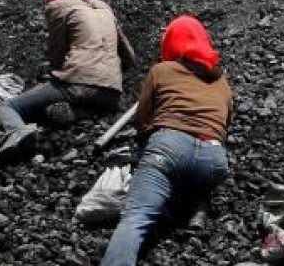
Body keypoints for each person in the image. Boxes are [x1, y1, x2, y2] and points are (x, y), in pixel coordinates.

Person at [100, 16, 233, 266]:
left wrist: (147, 146)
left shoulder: (161, 71)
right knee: (191, 176)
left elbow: (142, 119)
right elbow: (224, 125)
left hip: (169, 147)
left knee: (135, 218)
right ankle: (195, 204)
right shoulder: (221, 81)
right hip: (214, 160)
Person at [0, 0, 136, 166]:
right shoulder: (104, 8)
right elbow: (129, 56)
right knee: (55, 108)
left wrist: (55, 78)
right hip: (111, 92)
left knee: (7, 107)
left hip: (76, 82)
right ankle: (85, 112)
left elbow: (57, 53)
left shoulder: (58, 6)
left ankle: (17, 132)